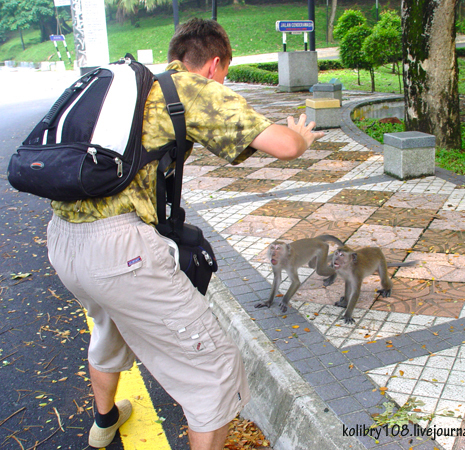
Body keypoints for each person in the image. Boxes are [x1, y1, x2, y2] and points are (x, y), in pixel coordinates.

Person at [46, 18, 324, 450]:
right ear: (214, 64)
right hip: (118, 251)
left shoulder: (132, 90)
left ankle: (104, 421)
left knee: (108, 326)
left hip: (63, 240)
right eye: (225, 73)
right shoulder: (191, 87)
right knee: (216, 372)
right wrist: (302, 138)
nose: (224, 80)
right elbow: (284, 145)